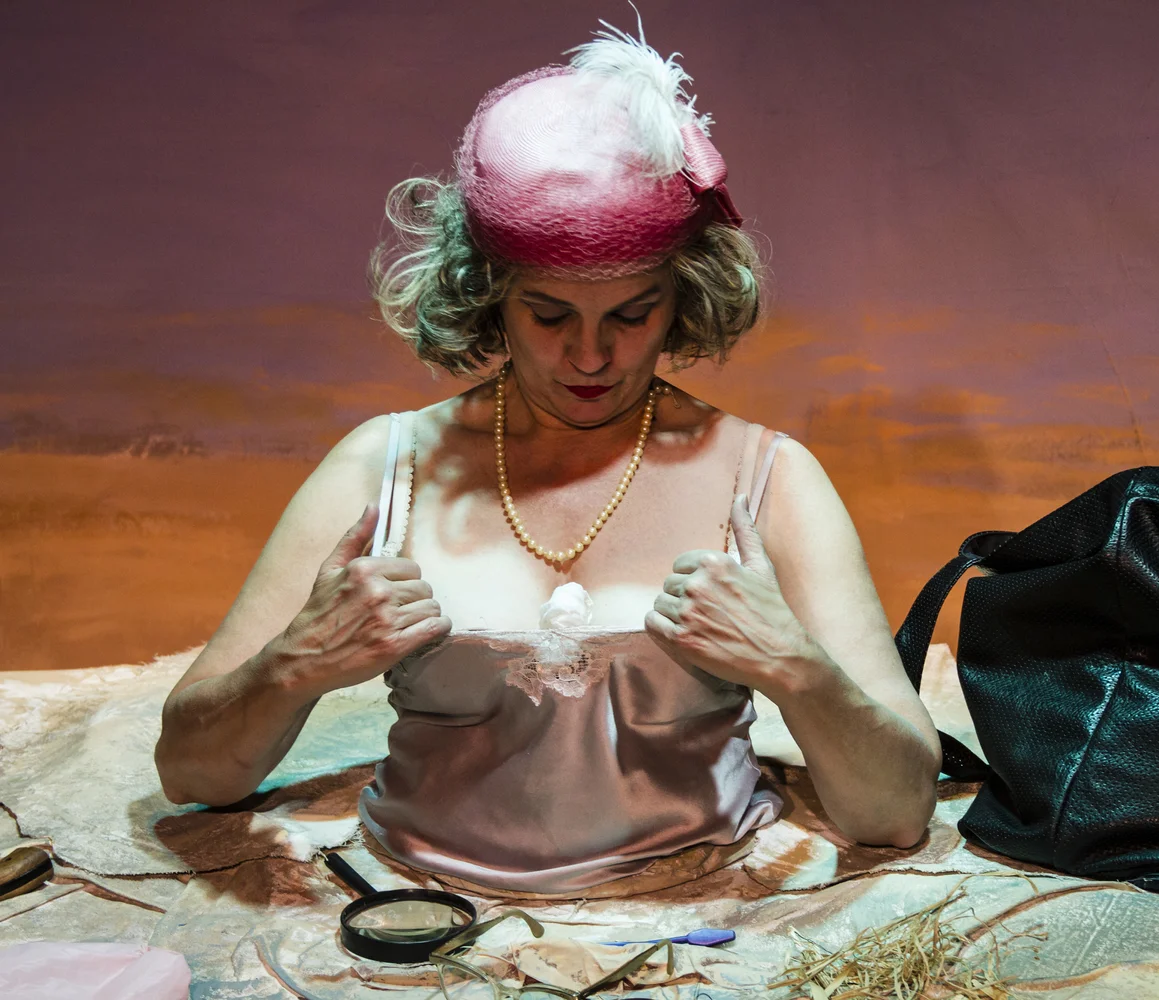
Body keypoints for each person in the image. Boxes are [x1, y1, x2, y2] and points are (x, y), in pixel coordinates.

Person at [154, 21, 941, 896]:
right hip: (423, 908)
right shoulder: (383, 467)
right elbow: (190, 773)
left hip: (689, 915)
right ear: (488, 295)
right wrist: (294, 665)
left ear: (684, 295)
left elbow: (897, 811)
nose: (591, 356)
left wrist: (797, 670)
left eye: (632, 314)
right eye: (549, 315)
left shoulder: (769, 478)